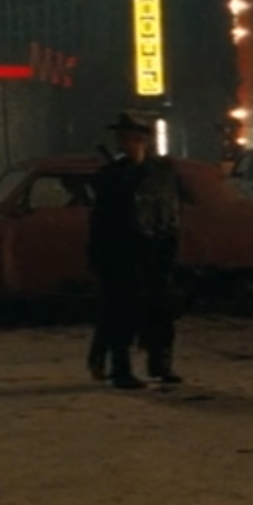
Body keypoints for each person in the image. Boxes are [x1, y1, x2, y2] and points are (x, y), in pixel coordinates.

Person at [86, 111, 184, 389]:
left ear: (143, 140)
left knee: (160, 312)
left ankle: (159, 364)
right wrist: (100, 256)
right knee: (121, 313)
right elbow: (101, 220)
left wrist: (170, 246)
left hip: (155, 250)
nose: (126, 142)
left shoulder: (162, 172)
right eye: (123, 137)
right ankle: (120, 369)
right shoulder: (111, 175)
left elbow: (170, 210)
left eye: (132, 137)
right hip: (122, 253)